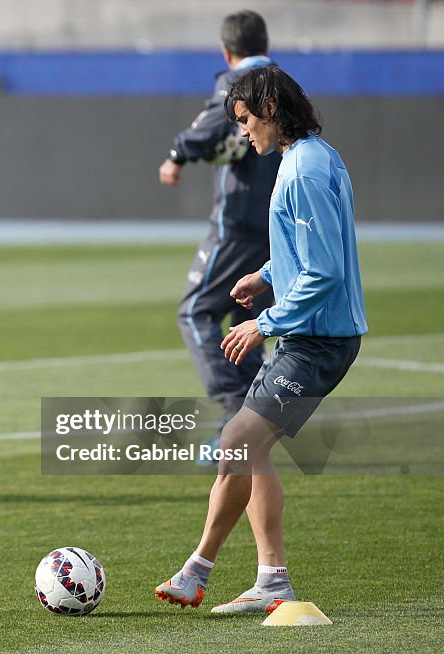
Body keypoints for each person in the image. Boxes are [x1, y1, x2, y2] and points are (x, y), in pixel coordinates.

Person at [154, 65, 368, 613]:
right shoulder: (310, 157)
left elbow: (325, 272)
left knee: (237, 442)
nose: (244, 133)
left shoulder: (304, 170)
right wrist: (267, 275)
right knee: (247, 448)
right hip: (312, 335)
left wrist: (262, 323)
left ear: (271, 108)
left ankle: (197, 572)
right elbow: (311, 250)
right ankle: (268, 580)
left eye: (246, 120)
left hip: (316, 342)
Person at [158, 10, 280, 462]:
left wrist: (177, 155)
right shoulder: (283, 83)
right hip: (274, 227)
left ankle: (235, 417)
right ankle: (253, 418)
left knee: (195, 312)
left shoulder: (239, 83)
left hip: (236, 227)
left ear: (228, 53)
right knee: (245, 323)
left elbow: (211, 128)